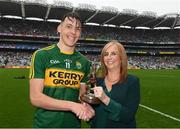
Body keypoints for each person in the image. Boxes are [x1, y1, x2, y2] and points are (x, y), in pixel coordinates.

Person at [29, 12, 94, 128]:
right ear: (59, 28)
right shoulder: (41, 55)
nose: (73, 32)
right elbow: (35, 98)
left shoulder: (84, 62)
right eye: (69, 26)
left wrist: (86, 105)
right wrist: (71, 106)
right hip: (45, 125)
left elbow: (81, 96)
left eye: (77, 29)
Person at [90, 40, 140, 128]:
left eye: (113, 53)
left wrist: (105, 99)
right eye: (106, 54)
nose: (109, 57)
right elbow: (93, 115)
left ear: (121, 58)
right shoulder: (96, 82)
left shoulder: (132, 81)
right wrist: (86, 107)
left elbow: (128, 116)